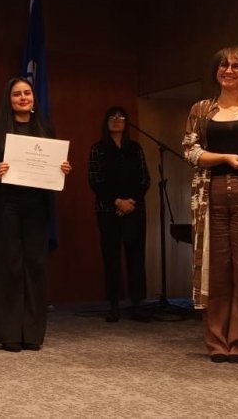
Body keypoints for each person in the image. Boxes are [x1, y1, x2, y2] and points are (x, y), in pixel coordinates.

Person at [182, 46, 238, 363]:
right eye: (223, 65)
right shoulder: (202, 109)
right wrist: (224, 158)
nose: (228, 70)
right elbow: (190, 152)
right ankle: (217, 341)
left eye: (236, 66)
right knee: (216, 271)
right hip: (212, 194)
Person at [0, 77, 71, 352]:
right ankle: (9, 334)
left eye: (27, 93)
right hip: (6, 205)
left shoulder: (46, 128)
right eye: (17, 94)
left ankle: (32, 334)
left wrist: (62, 168)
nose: (23, 98)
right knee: (8, 267)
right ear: (8, 100)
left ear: (33, 98)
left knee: (36, 266)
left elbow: (53, 166)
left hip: (37, 206)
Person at [88, 106, 150, 323]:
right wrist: (117, 201)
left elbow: (144, 179)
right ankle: (114, 305)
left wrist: (130, 202)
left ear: (126, 122)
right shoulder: (98, 149)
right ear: (105, 122)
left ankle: (137, 304)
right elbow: (95, 181)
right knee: (111, 257)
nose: (116, 120)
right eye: (112, 117)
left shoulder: (135, 148)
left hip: (134, 209)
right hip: (108, 210)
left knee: (136, 257)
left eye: (121, 117)